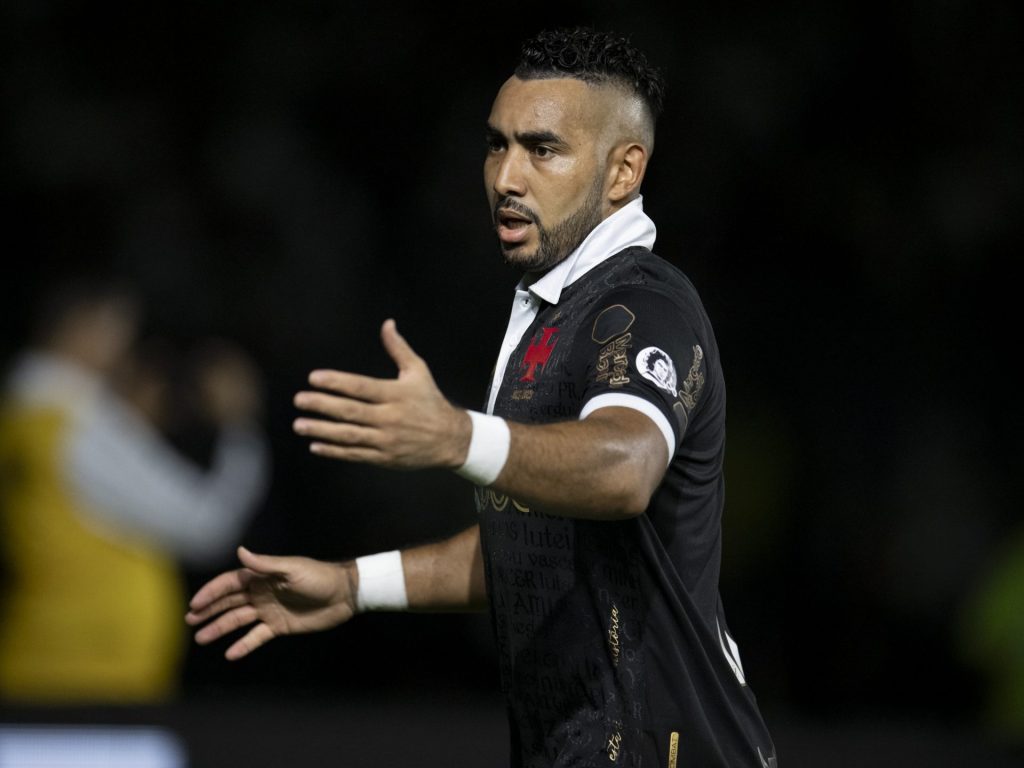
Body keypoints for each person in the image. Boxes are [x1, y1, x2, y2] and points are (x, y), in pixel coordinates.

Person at [186, 26, 778, 767]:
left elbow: (625, 468)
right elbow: (532, 549)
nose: (506, 176)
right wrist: (352, 584)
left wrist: (457, 440)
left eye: (543, 149)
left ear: (623, 171)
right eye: (497, 145)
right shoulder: (549, 313)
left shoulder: (645, 303)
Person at [0, 276, 270, 703]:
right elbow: (206, 524)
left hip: (57, 670)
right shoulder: (72, 422)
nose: (125, 350)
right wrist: (238, 427)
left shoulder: (27, 410)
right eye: (119, 331)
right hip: (84, 682)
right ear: (85, 328)